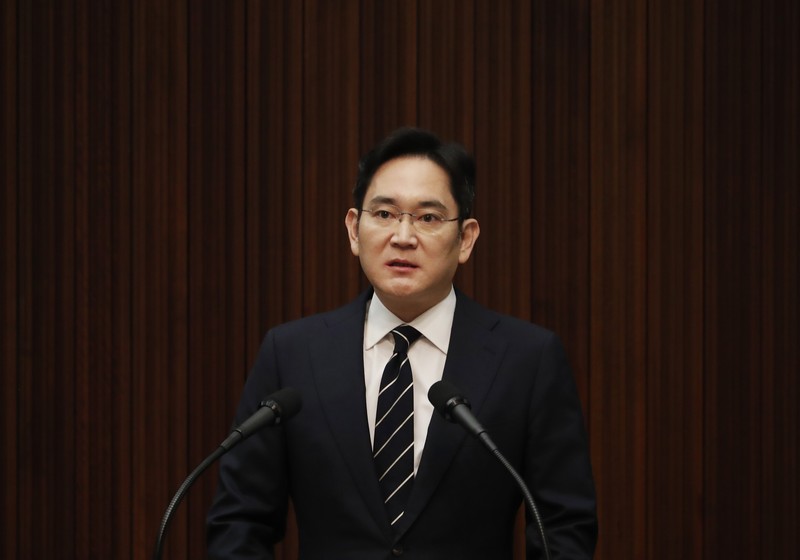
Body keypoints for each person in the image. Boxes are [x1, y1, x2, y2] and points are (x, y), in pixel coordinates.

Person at [207, 128, 598, 559]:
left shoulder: (527, 359)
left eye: (428, 218)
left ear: (466, 239)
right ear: (354, 230)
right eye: (385, 214)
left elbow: (564, 526)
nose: (403, 236)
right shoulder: (292, 354)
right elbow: (239, 521)